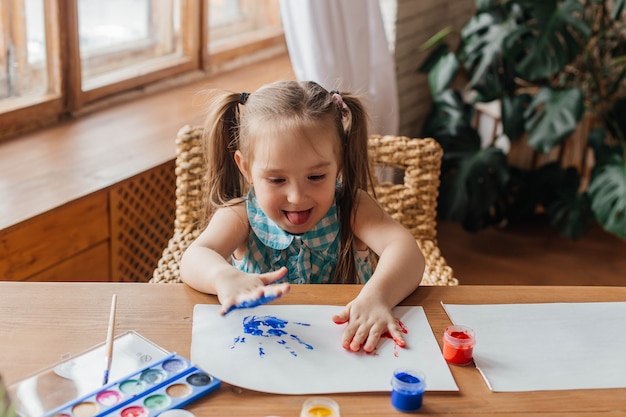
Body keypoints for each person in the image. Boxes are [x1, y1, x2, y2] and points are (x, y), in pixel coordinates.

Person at [180, 80, 425, 353]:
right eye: (276, 179)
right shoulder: (240, 216)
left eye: (316, 177)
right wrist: (221, 276)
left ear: (339, 163)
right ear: (246, 168)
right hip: (263, 347)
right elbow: (194, 256)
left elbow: (406, 251)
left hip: (344, 349)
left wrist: (378, 296)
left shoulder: (352, 207)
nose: (297, 197)